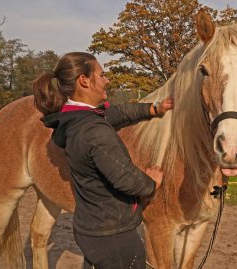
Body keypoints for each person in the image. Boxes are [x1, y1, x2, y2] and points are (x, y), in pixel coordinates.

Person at [33, 52, 173, 269]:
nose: (107, 80)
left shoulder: (76, 118)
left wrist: (154, 108)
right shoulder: (94, 131)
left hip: (93, 229)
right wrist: (151, 181)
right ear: (84, 81)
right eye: (102, 74)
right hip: (114, 236)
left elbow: (118, 113)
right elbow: (126, 179)